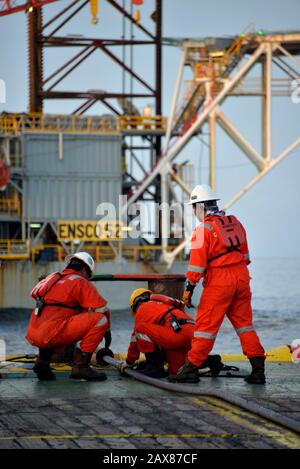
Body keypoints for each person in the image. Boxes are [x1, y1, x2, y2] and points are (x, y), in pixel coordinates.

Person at [169, 185, 266, 385]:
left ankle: (190, 369)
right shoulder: (235, 223)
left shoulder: (202, 230)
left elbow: (196, 267)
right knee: (245, 326)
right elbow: (246, 257)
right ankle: (258, 370)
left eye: (194, 208)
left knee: (205, 328)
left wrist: (188, 288)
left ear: (200, 207)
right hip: (242, 278)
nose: (194, 212)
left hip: (220, 283)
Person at [26, 252, 112, 381]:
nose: (88, 279)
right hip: (50, 333)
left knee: (55, 318)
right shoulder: (80, 282)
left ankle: (42, 362)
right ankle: (81, 367)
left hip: (34, 332)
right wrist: (107, 331)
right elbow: (102, 310)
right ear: (83, 270)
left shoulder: (53, 277)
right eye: (88, 275)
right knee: (101, 320)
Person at [124, 288, 225, 381]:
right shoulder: (164, 305)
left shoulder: (142, 308)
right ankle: (210, 361)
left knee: (140, 329)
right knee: (177, 371)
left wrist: (129, 362)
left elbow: (135, 340)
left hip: (177, 334)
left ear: (135, 305)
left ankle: (154, 368)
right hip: (192, 334)